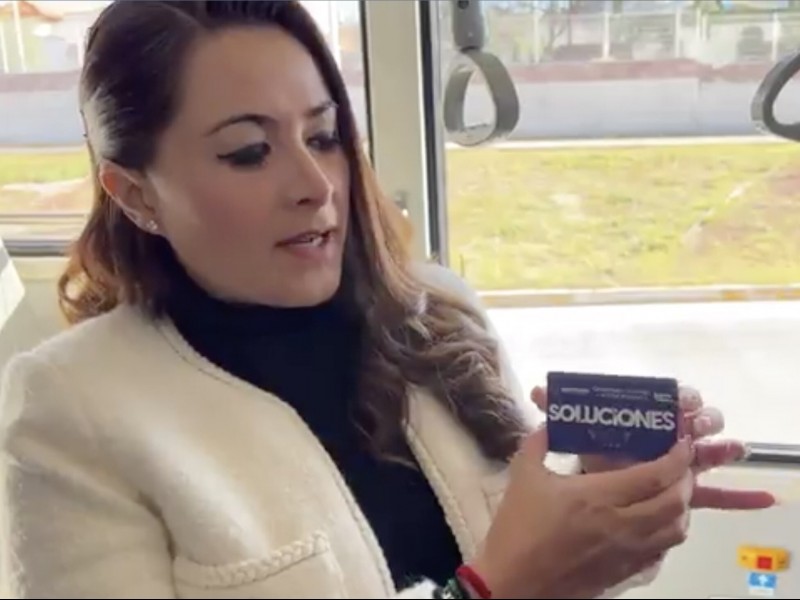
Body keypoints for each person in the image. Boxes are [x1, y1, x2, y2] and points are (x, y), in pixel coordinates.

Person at [0, 1, 775, 599]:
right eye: (249, 152)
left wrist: (607, 511)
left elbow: (541, 571)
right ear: (136, 195)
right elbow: (514, 580)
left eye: (324, 135)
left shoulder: (439, 311)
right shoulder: (74, 410)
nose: (315, 185)